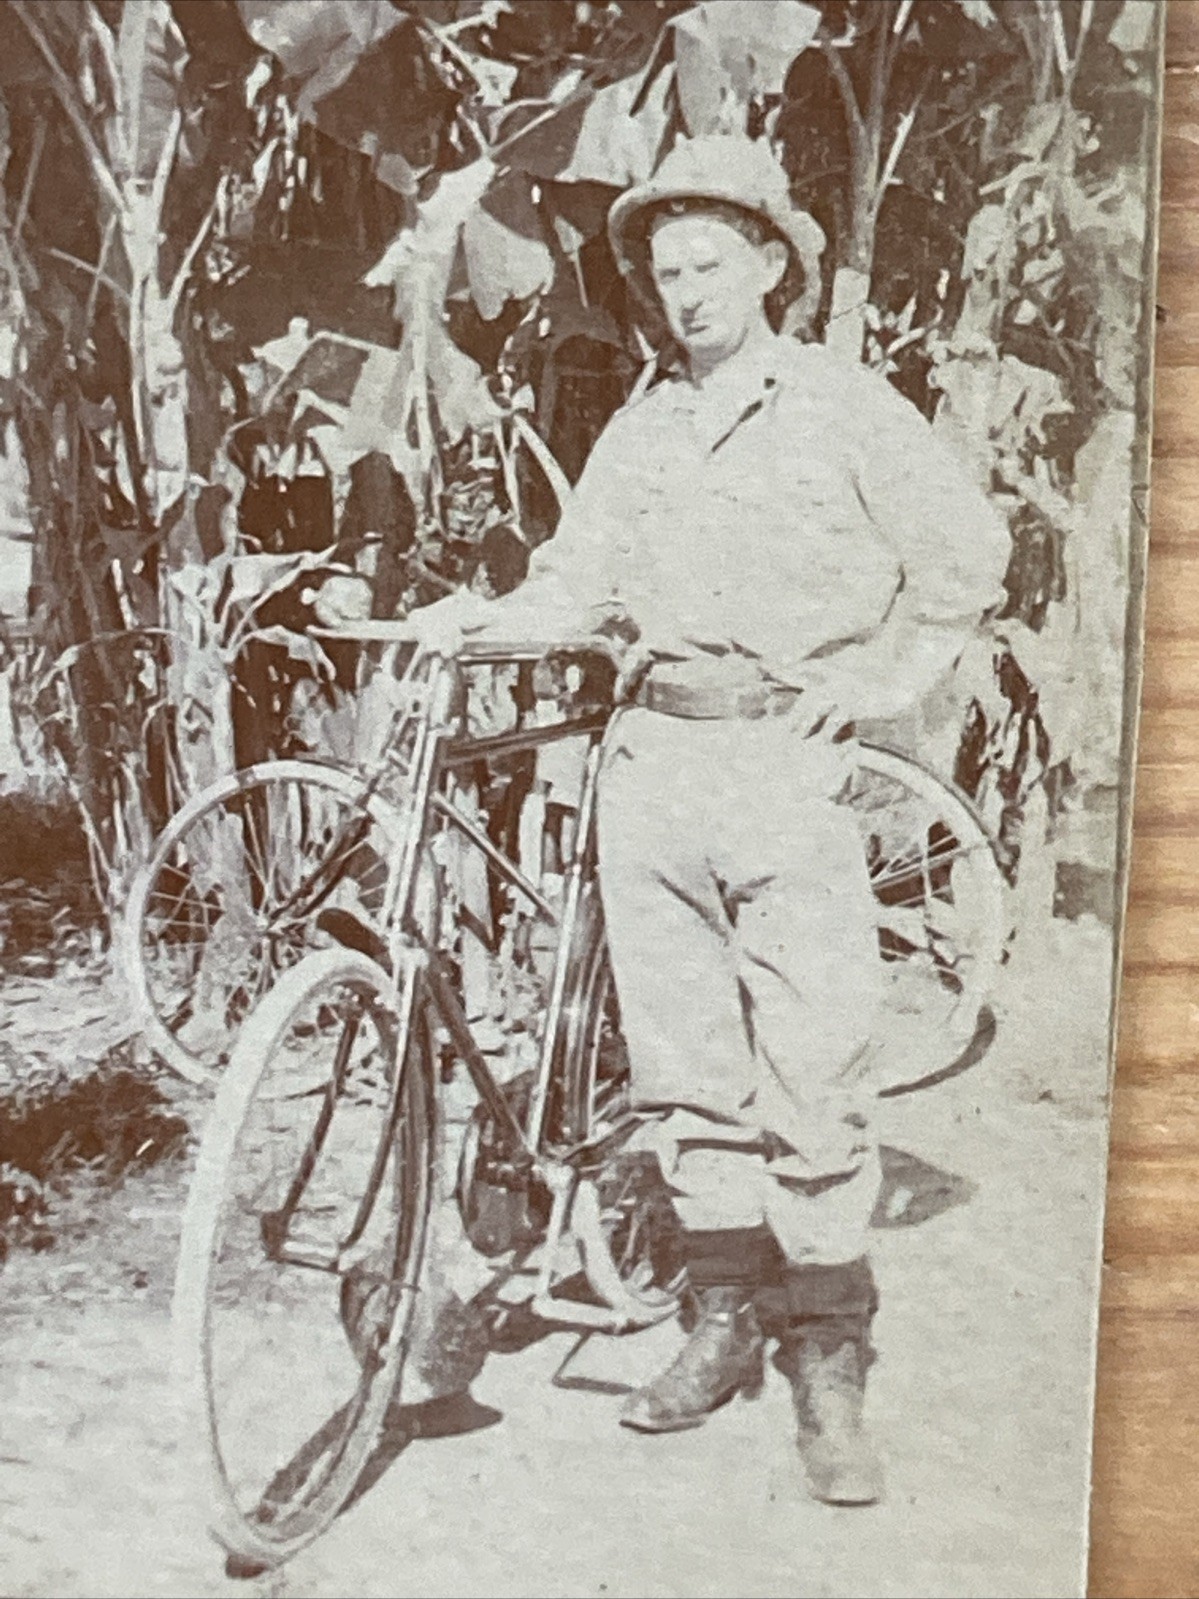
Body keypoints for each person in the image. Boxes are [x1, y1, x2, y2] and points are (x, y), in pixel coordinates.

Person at [372, 134, 1010, 1506]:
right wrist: (474, 619)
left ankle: (829, 1357)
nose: (687, 294)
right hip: (649, 763)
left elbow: (967, 559)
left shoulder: (846, 410)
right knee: (682, 1073)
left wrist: (878, 679)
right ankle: (720, 1320)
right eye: (665, 274)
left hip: (780, 767)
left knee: (814, 1071)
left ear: (771, 263)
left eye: (711, 264)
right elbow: (576, 581)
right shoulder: (643, 427)